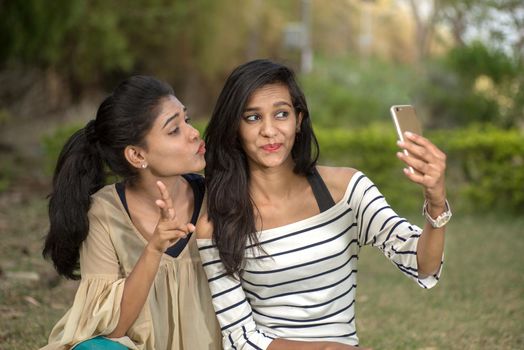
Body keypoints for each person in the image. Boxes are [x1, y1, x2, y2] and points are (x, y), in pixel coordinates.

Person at [196, 59, 450, 349]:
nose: (269, 130)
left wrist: (436, 202)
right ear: (234, 127)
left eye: (281, 114)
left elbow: (423, 264)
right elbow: (240, 338)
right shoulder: (217, 223)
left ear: (299, 119)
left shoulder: (347, 191)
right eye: (252, 117)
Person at [40, 76, 221, 350]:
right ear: (137, 156)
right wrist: (155, 247)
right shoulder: (104, 212)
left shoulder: (219, 197)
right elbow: (111, 331)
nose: (194, 132)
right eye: (174, 130)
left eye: (188, 119)